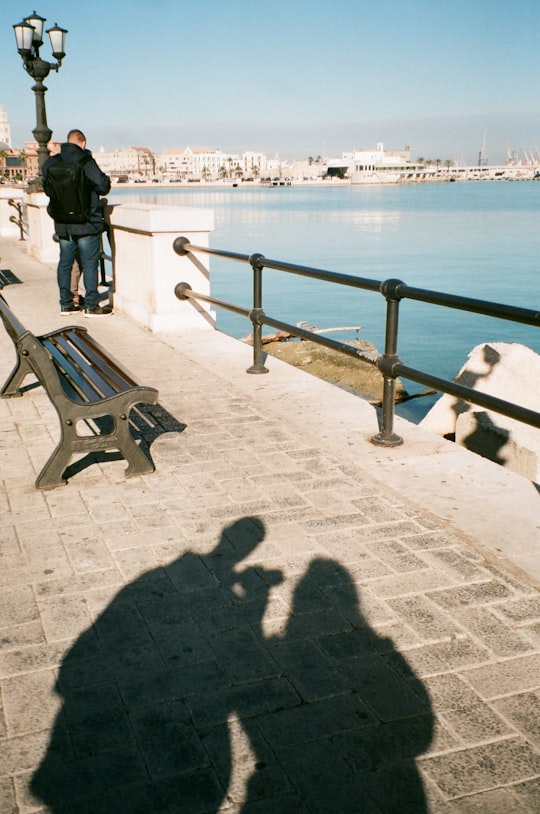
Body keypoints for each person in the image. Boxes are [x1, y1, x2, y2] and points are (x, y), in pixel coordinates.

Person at [43, 129, 112, 317]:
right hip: (86, 222)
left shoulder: (52, 162)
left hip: (63, 223)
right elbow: (103, 186)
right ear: (83, 143)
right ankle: (91, 305)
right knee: (90, 264)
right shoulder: (85, 161)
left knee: (65, 263)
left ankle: (66, 304)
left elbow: (47, 187)